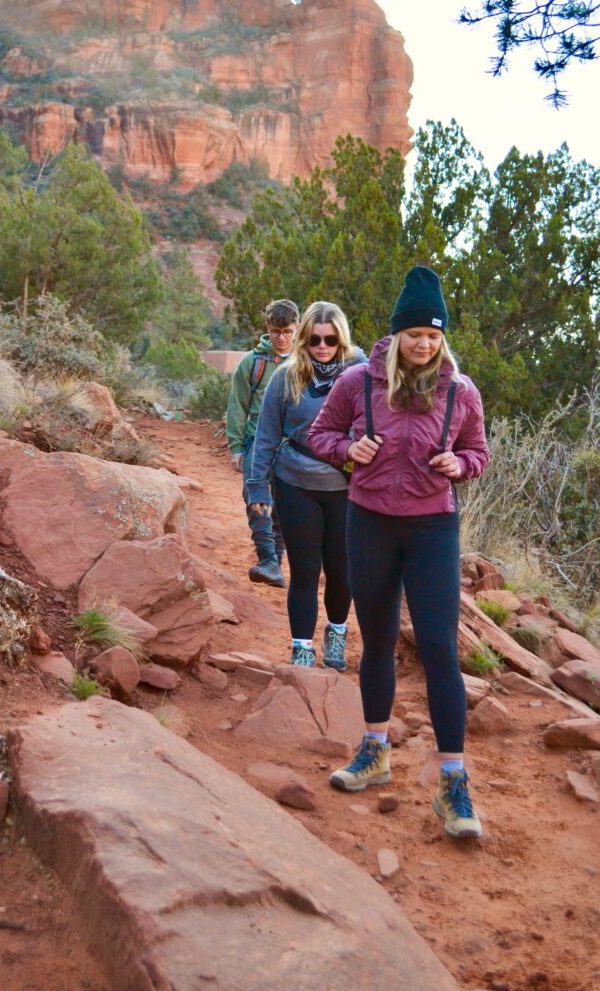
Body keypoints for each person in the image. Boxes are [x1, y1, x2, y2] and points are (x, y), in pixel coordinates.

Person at [308, 266, 489, 840]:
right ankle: (375, 751)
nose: (425, 343)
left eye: (434, 335)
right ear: (399, 334)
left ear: (442, 339)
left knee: (438, 646)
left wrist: (460, 465)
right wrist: (347, 449)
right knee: (379, 638)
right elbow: (320, 434)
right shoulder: (357, 382)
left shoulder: (460, 391)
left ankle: (452, 783)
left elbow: (477, 450)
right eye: (416, 333)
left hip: (433, 528)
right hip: (370, 524)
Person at [246, 302, 366, 668]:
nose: (322, 347)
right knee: (304, 570)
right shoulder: (286, 376)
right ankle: (301, 646)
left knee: (341, 571)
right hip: (294, 483)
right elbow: (265, 436)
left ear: (341, 339)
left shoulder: (361, 375)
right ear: (303, 338)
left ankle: (336, 635)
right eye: (314, 339)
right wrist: (257, 488)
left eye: (330, 340)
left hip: (345, 488)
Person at [226, 299, 299, 587]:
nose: (280, 337)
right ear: (266, 329)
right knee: (254, 495)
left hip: (293, 442)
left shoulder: (306, 361)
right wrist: (235, 447)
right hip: (257, 438)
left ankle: (276, 561)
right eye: (274, 331)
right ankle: (267, 557)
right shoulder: (252, 362)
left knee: (283, 502)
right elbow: (237, 405)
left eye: (287, 331)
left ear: (297, 328)